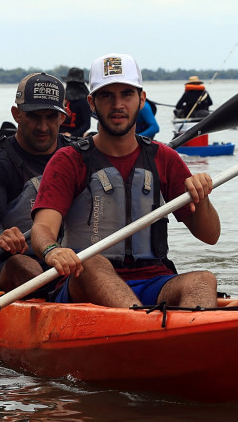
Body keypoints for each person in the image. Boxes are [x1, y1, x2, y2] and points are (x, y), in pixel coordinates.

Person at [30, 53, 222, 309]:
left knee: (203, 280)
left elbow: (210, 235)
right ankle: (144, 324)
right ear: (92, 103)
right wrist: (51, 250)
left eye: (127, 94)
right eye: (107, 96)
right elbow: (42, 228)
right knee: (92, 262)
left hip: (153, 281)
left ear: (141, 99)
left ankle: (184, 328)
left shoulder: (164, 158)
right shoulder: (68, 160)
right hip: (84, 282)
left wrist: (202, 196)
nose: (117, 104)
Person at [0, 72, 71, 292]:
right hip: (15, 263)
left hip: (69, 260)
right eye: (34, 116)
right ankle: (55, 293)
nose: (43, 127)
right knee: (22, 264)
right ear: (16, 114)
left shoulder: (79, 156)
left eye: (51, 117)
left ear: (62, 118)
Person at [59, 67, 92, 137]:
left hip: (74, 138)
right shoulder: (62, 99)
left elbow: (86, 124)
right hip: (58, 135)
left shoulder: (84, 102)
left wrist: (72, 135)